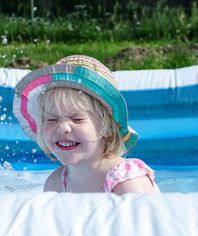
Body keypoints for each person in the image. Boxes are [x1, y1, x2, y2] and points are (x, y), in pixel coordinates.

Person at [13, 55, 160, 194]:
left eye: (77, 119)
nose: (63, 127)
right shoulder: (56, 184)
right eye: (51, 119)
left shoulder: (126, 182)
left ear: (107, 128)